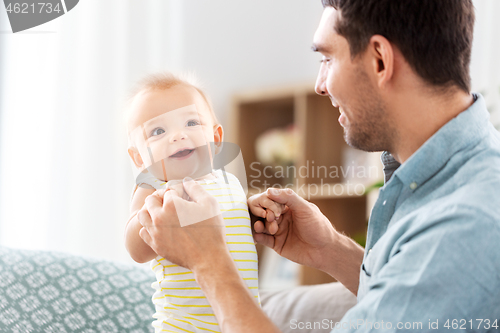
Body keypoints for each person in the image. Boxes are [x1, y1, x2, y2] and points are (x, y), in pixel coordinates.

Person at [137, 1, 500, 332]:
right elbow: (410, 304)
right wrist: (331, 251)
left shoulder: (464, 223)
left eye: (327, 59)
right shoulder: (453, 182)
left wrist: (209, 263)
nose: (319, 85)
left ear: (379, 61)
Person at [124, 73, 261, 333]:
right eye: (158, 131)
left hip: (239, 321)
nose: (177, 136)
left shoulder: (229, 182)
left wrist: (256, 213)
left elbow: (234, 232)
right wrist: (155, 210)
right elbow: (135, 249)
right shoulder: (154, 186)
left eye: (191, 122)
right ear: (139, 158)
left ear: (217, 138)